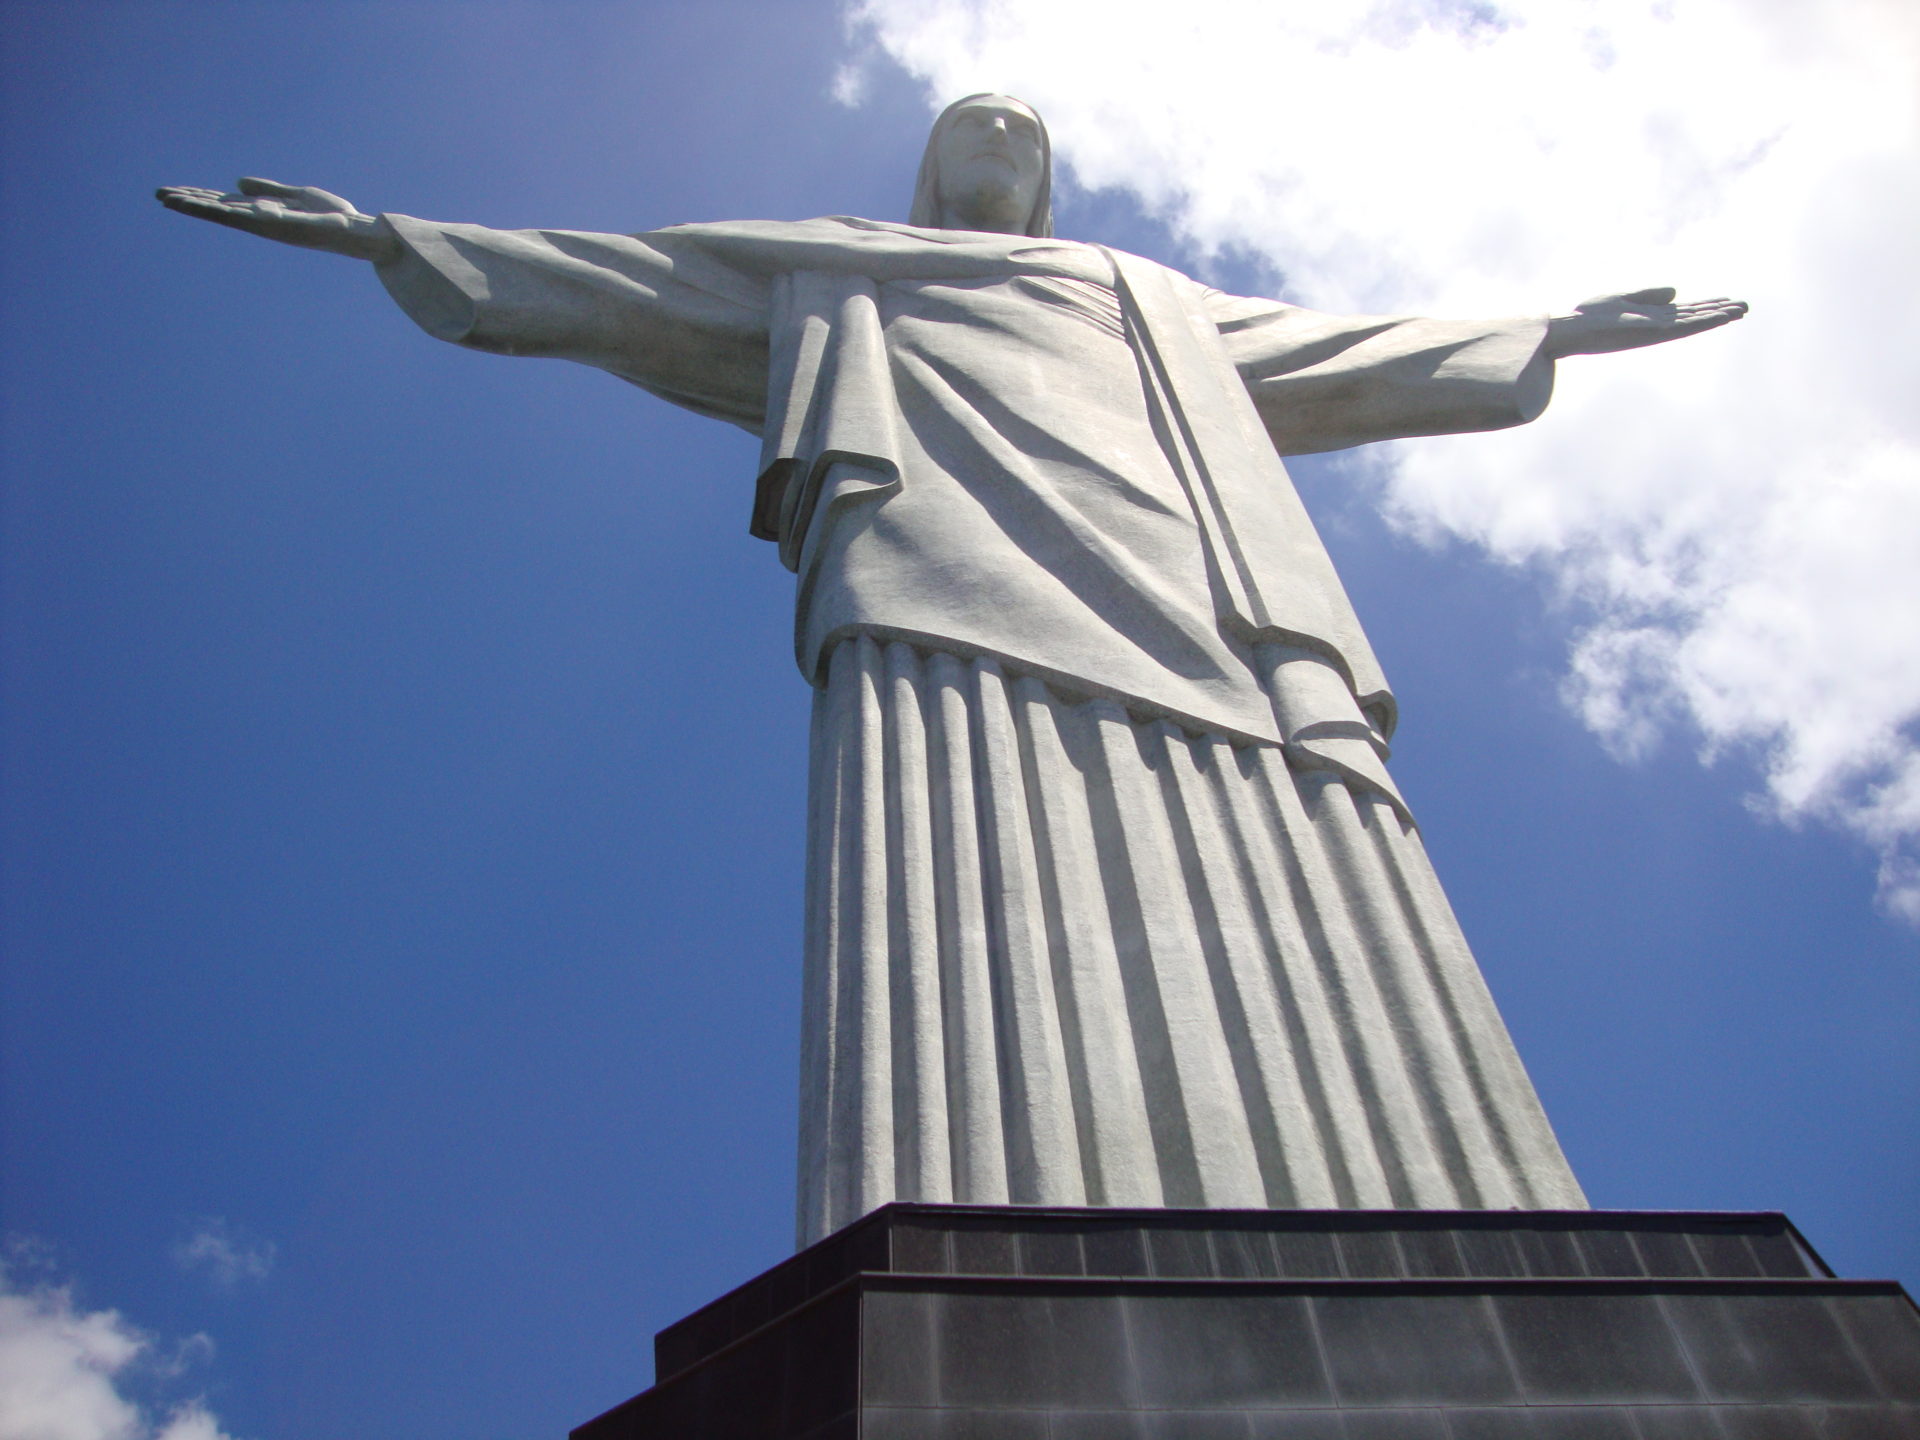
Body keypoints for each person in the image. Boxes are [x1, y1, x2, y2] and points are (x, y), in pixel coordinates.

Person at [160, 94, 1746, 1243]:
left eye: (1021, 137)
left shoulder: (1147, 299)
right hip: (946, 593)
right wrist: (387, 234)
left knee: (1305, 849)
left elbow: (1345, 354)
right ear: (929, 166)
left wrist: (1552, 330)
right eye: (971, 131)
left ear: (1047, 179)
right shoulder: (830, 265)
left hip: (1205, 601)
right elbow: (621, 286)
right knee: (966, 863)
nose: (997, 147)